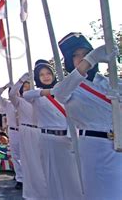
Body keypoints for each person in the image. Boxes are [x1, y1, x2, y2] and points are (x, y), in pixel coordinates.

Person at [47, 32, 121, 200]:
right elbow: (59, 93)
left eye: (85, 53)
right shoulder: (69, 86)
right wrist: (90, 60)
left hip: (120, 145)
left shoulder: (112, 82)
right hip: (95, 148)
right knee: (100, 194)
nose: (81, 58)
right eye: (75, 55)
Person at [23, 59, 83, 199]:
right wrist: (51, 91)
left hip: (69, 139)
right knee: (53, 177)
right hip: (49, 140)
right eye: (41, 74)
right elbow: (26, 95)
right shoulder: (36, 94)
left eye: (48, 73)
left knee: (73, 177)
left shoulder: (65, 92)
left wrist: (60, 89)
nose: (46, 76)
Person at [9, 74, 48, 199]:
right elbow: (11, 94)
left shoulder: (39, 99)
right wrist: (20, 80)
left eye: (28, 86)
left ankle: (44, 190)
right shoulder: (19, 102)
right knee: (29, 162)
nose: (26, 89)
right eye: (24, 87)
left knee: (42, 162)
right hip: (26, 131)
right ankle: (32, 192)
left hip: (41, 131)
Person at [0, 83, 23, 190]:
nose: (16, 93)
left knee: (27, 155)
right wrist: (5, 86)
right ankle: (20, 179)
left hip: (25, 130)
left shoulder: (24, 101)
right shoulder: (7, 103)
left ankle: (28, 176)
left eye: (17, 90)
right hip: (13, 131)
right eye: (13, 91)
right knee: (16, 156)